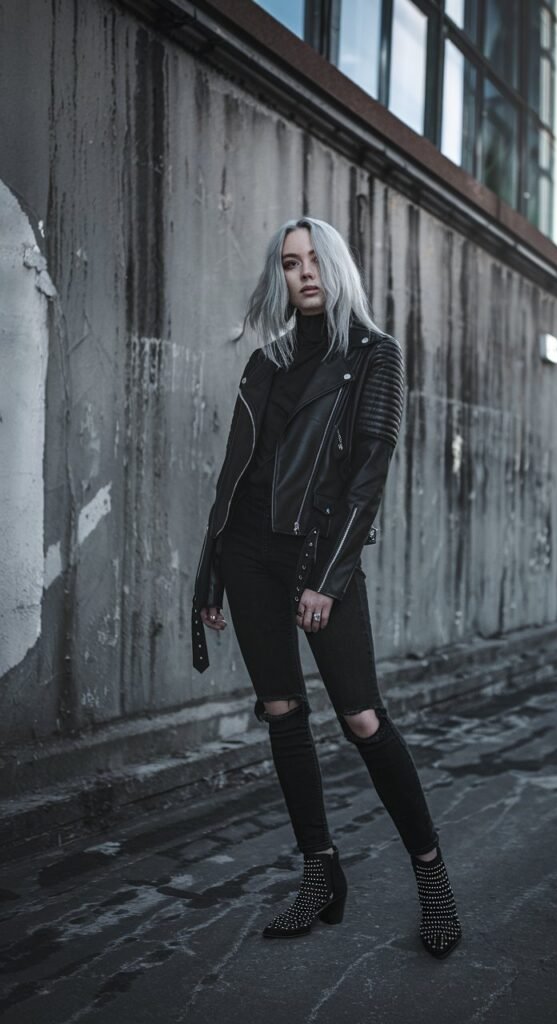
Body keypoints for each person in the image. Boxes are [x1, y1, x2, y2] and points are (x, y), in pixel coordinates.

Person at [191, 217, 462, 958]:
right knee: (282, 712)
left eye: (314, 260)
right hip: (246, 552)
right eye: (288, 263)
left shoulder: (375, 356)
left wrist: (330, 577)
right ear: (278, 276)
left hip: (316, 554)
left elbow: (368, 474)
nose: (303, 273)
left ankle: (433, 879)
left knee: (363, 719)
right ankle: (321, 873)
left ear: (336, 266)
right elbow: (235, 474)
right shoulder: (267, 360)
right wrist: (211, 571)